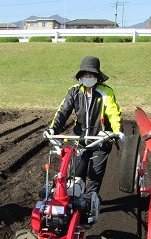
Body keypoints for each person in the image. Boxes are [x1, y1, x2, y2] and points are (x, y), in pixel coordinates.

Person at [45, 56, 124, 195]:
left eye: (91, 74)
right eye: (85, 74)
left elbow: (113, 113)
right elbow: (63, 111)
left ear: (96, 75)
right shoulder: (74, 91)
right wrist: (53, 128)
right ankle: (77, 206)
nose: (88, 77)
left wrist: (117, 131)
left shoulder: (106, 91)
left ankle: (91, 207)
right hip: (80, 140)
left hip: (101, 140)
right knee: (76, 176)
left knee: (94, 177)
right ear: (81, 76)